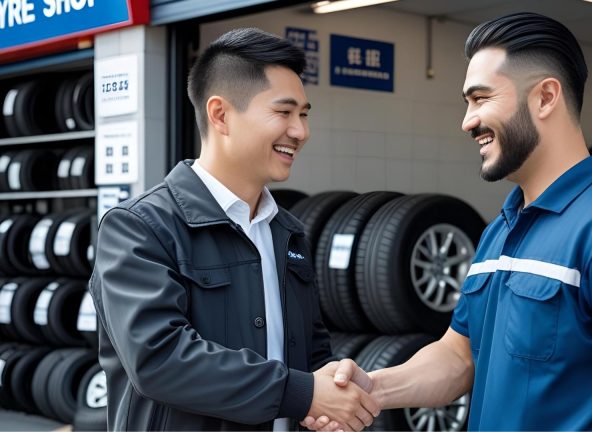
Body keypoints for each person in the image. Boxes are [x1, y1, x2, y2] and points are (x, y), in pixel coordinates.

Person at [303, 12, 592, 431]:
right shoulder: (502, 229)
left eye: (481, 99)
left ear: (545, 97)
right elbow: (458, 357)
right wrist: (372, 388)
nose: (467, 121)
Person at [89, 28, 378, 431]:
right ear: (220, 114)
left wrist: (332, 382)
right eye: (284, 112)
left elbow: (309, 351)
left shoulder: (286, 232)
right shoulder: (140, 226)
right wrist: (303, 393)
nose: (301, 131)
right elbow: (159, 359)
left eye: (305, 114)